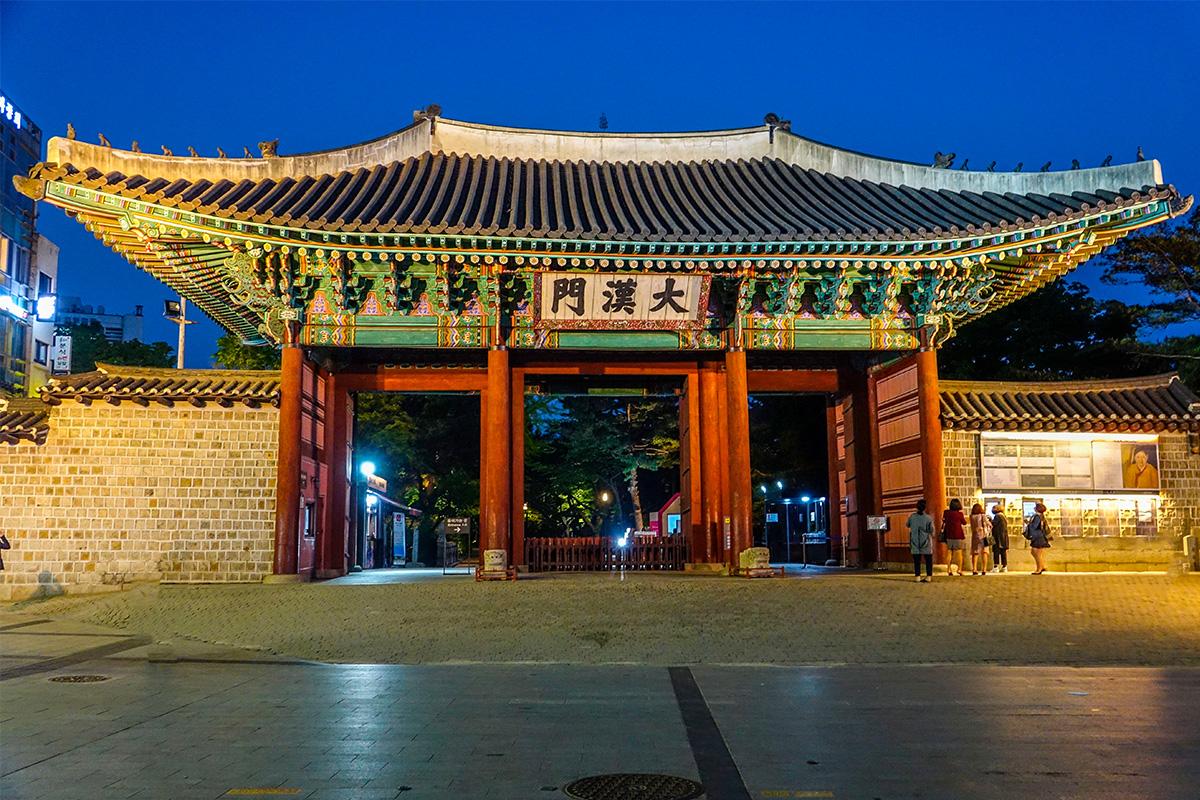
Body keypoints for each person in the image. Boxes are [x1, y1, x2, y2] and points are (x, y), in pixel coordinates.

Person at [907, 499, 935, 583]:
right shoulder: (928, 518)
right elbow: (932, 530)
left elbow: (907, 525)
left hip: (914, 541)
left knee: (916, 560)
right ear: (925, 508)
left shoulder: (912, 516)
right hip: (925, 541)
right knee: (928, 560)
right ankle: (928, 576)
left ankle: (917, 577)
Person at [1024, 502, 1052, 574]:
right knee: (1037, 552)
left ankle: (1039, 569)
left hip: (1037, 536)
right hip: (1041, 536)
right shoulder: (1042, 516)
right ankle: (1042, 566)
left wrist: (1028, 523)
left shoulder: (1037, 516)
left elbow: (1035, 526)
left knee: (1036, 553)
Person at [942, 498, 968, 576]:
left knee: (949, 552)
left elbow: (943, 520)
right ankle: (959, 570)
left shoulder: (946, 513)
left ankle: (948, 570)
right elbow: (964, 523)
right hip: (958, 535)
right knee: (959, 553)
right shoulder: (959, 514)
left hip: (949, 534)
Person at [969, 502, 991, 575]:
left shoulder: (971, 516)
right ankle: (984, 569)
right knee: (985, 552)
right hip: (984, 536)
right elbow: (989, 524)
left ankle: (974, 569)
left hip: (975, 536)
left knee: (975, 552)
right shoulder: (982, 515)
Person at [989, 504, 1009, 573]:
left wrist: (990, 520)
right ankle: (1004, 566)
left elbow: (993, 524)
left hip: (997, 537)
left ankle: (996, 567)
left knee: (996, 552)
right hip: (1003, 537)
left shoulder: (997, 516)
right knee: (1003, 552)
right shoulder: (1004, 516)